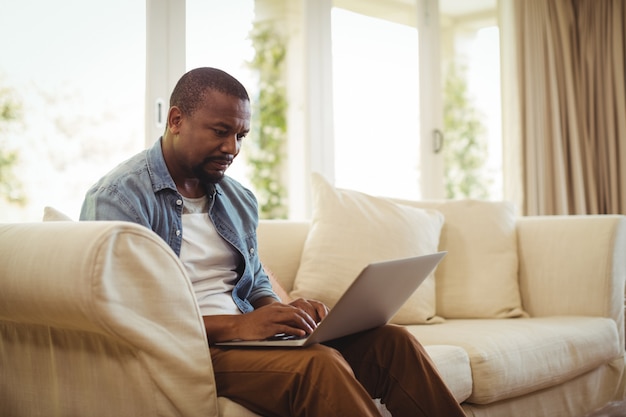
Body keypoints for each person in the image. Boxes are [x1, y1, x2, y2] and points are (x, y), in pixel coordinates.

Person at [80, 67, 466, 417]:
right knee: (319, 368)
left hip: (246, 341)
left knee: (392, 344)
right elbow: (124, 316)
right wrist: (239, 327)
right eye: (220, 132)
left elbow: (254, 281)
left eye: (240, 136)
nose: (232, 149)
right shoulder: (120, 198)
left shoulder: (237, 199)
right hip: (185, 352)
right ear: (177, 119)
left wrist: (283, 313)